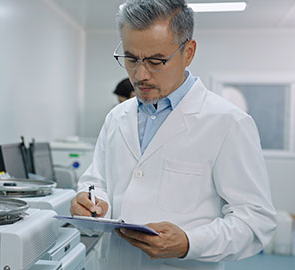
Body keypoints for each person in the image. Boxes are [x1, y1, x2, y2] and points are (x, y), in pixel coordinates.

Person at [70, 1, 276, 269]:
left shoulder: (228, 123)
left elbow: (256, 221)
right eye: (131, 59)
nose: (140, 75)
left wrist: (190, 243)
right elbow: (96, 182)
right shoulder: (117, 117)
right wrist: (91, 202)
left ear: (188, 52)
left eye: (156, 61)